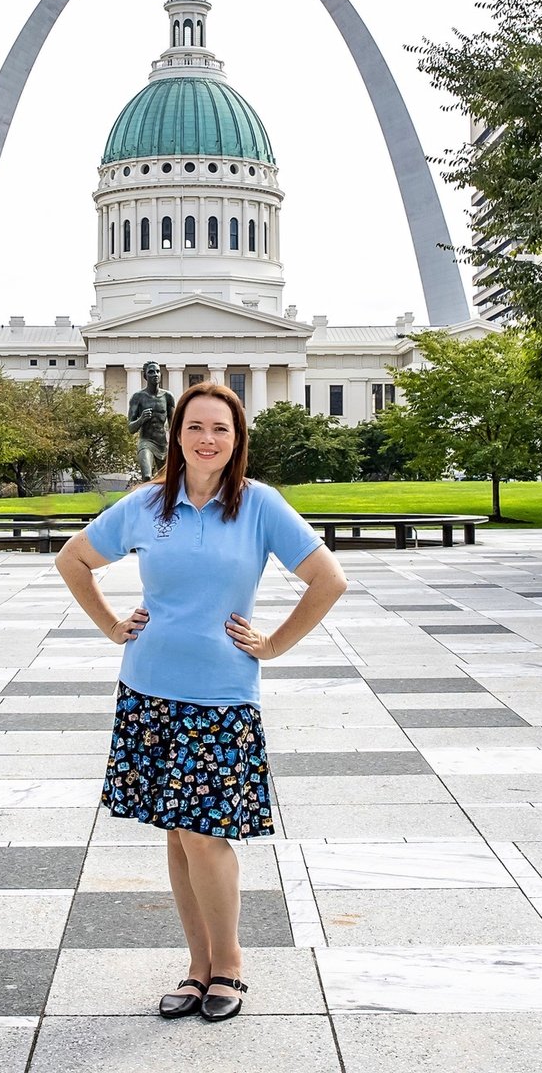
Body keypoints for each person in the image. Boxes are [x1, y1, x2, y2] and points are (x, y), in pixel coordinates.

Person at [54, 382, 347, 1023]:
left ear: (237, 439)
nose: (206, 439)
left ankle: (230, 964)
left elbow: (329, 580)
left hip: (220, 696)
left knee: (206, 836)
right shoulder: (146, 506)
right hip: (149, 690)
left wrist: (272, 645)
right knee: (178, 836)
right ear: (177, 434)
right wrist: (110, 625)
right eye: (195, 427)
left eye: (220, 428)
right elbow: (73, 559)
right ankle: (196, 967)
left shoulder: (260, 507)